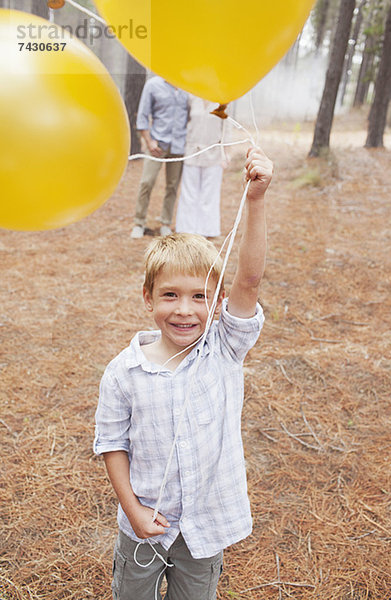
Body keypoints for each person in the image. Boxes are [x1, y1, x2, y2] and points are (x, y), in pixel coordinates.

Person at [94, 147, 273, 600]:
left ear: (217, 303)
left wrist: (255, 200)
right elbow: (112, 446)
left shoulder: (224, 348)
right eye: (170, 295)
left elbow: (248, 281)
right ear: (148, 298)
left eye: (199, 296)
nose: (184, 310)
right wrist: (132, 511)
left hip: (203, 527)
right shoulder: (123, 373)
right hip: (144, 527)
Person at [131, 76, 189, 239]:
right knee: (146, 182)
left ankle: (165, 223)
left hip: (179, 145)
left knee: (172, 186)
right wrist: (149, 142)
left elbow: (191, 116)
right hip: (157, 144)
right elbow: (142, 116)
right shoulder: (153, 85)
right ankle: (139, 223)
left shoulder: (188, 87)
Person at [175, 96, 227, 237]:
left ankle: (207, 230)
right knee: (189, 192)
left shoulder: (222, 100)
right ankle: (186, 229)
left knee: (209, 194)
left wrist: (224, 154)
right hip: (192, 151)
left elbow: (226, 129)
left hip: (214, 153)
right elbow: (185, 123)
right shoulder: (192, 98)